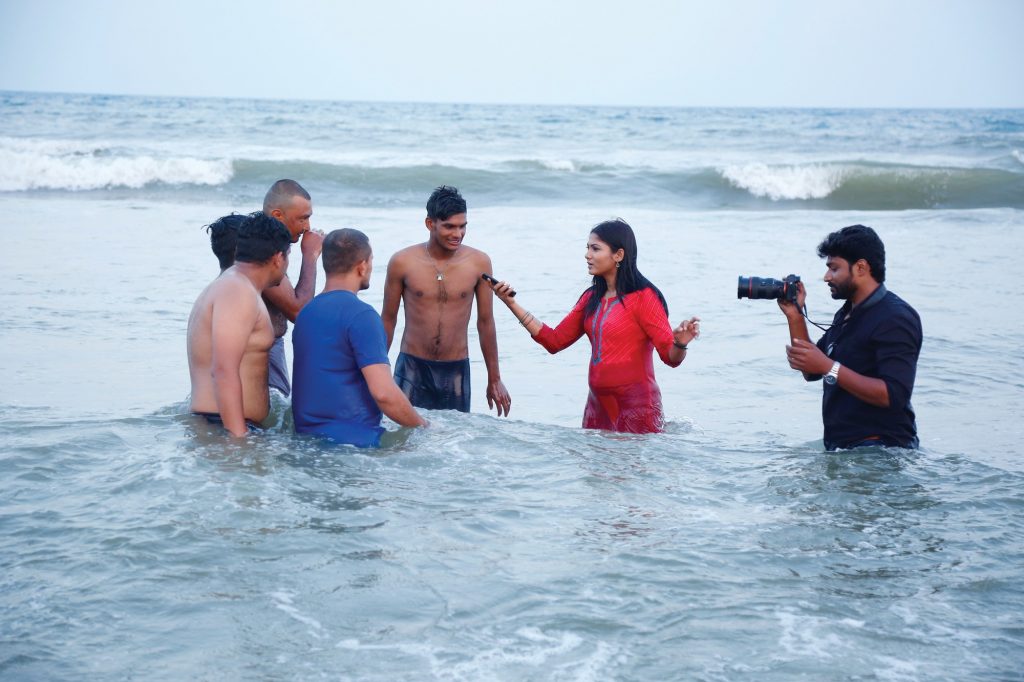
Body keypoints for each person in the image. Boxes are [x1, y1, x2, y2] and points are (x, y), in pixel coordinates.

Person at [487, 218, 701, 434]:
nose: (587, 255)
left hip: (636, 406)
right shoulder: (591, 298)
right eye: (587, 248)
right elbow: (554, 341)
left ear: (618, 255)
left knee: (629, 458)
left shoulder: (644, 297)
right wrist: (511, 303)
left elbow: (671, 358)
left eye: (595, 249)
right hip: (597, 408)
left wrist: (680, 344)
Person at [779, 224, 922, 450]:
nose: (826, 277)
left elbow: (893, 395)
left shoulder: (895, 317)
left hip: (882, 449)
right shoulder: (847, 312)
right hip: (845, 449)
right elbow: (811, 371)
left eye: (834, 269)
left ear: (861, 267)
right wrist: (795, 315)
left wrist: (829, 367)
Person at [380, 185, 511, 416]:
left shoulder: (479, 263)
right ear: (430, 224)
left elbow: (485, 322)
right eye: (449, 226)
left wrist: (495, 378)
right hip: (411, 367)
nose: (457, 234)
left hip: (456, 370)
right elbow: (388, 319)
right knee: (403, 435)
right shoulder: (402, 262)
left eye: (462, 226)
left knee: (454, 436)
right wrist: (377, 372)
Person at [292, 228, 427, 447]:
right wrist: (424, 426)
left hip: (307, 440)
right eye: (371, 260)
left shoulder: (306, 313)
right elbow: (384, 394)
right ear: (362, 266)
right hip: (356, 444)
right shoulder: (362, 315)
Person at [187, 213, 292, 437]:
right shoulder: (237, 291)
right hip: (223, 428)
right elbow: (223, 369)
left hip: (222, 425)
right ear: (278, 258)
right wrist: (238, 438)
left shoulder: (233, 285)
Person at [261, 179, 325, 397]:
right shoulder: (261, 249)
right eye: (303, 218)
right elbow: (299, 311)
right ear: (278, 215)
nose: (307, 226)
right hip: (258, 350)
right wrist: (311, 255)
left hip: (271, 345)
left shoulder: (274, 245)